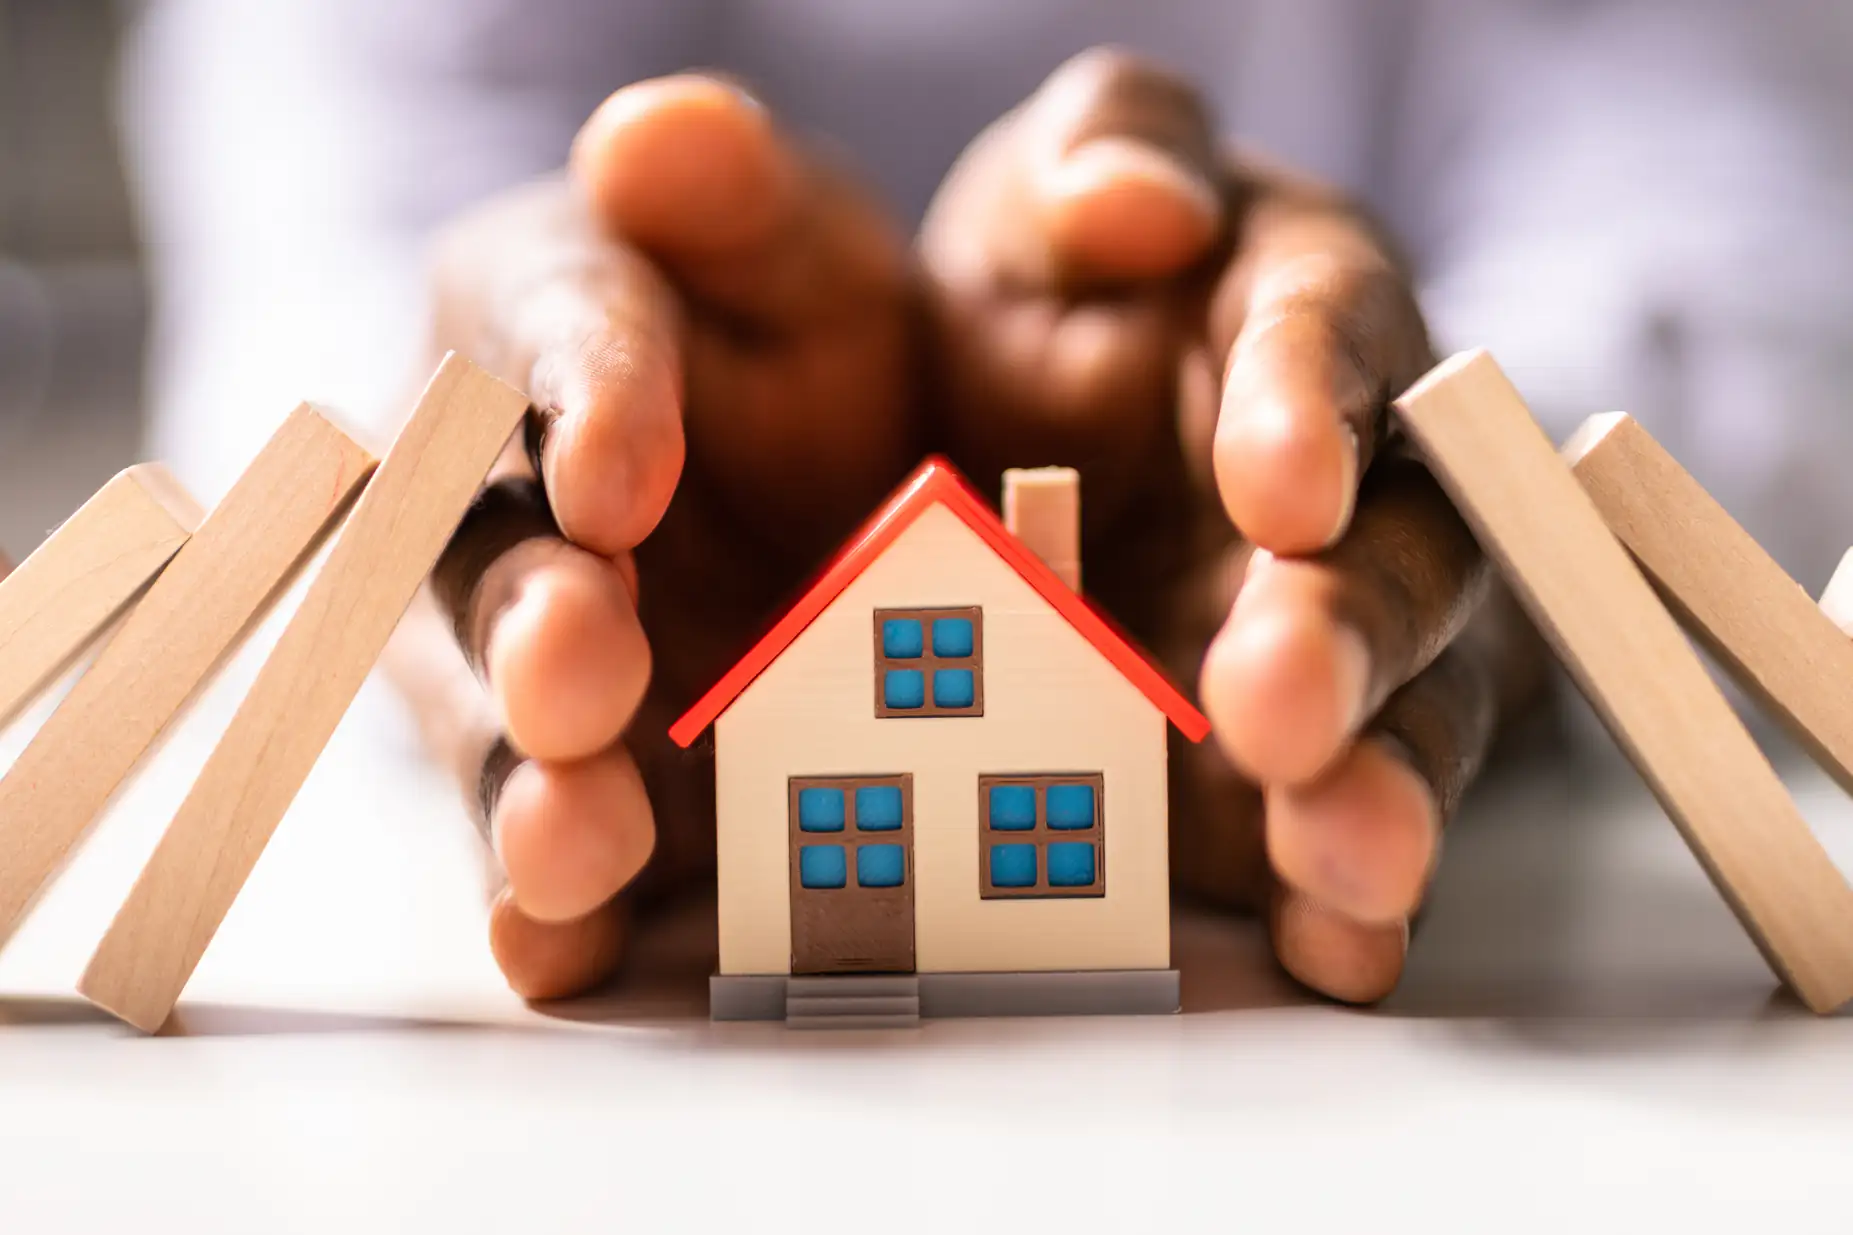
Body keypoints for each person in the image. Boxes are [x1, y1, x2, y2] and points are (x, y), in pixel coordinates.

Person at [120, 1, 1853, 1004]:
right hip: (645, 561)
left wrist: (1463, 518)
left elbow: (1731, 217)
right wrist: (485, 463)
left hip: (1289, 555)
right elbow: (324, 223)